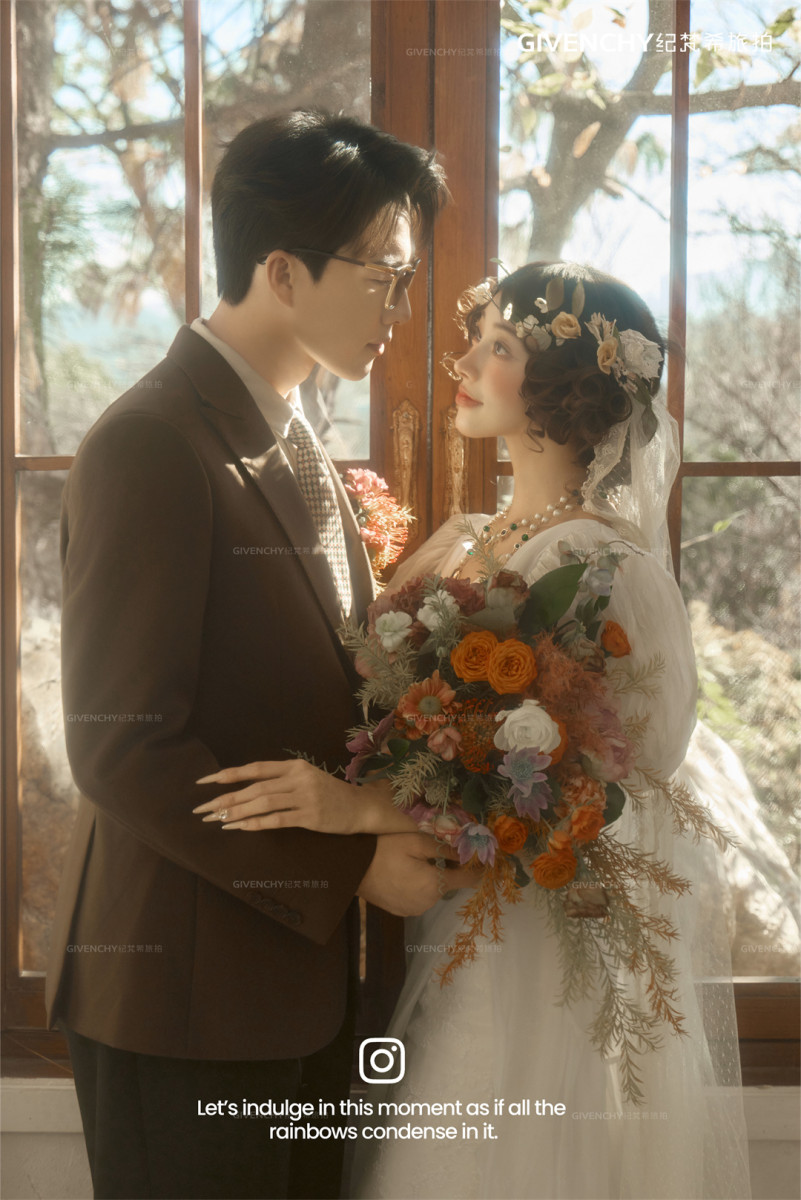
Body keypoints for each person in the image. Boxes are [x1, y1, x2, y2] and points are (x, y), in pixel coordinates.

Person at [194, 262, 752, 1199]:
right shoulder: (466, 539)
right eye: (475, 340)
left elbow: (596, 794)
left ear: (560, 388)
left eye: (497, 347)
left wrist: (359, 813)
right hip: (445, 938)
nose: (462, 363)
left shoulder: (601, 565)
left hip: (529, 962)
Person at [45, 108, 479, 1200]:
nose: (401, 307)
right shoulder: (153, 441)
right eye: (382, 275)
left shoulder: (290, 431)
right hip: (186, 1006)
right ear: (282, 271)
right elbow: (122, 749)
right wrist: (349, 865)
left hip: (297, 993)